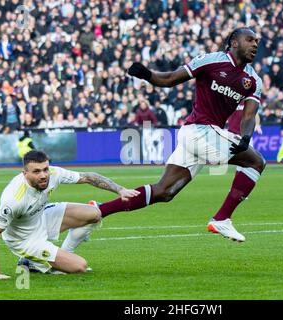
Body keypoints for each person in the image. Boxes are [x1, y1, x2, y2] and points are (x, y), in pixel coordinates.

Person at [89, 27, 265, 242]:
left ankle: (98, 210)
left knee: (164, 192)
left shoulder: (254, 80)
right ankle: (222, 218)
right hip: (200, 131)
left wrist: (245, 138)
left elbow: (249, 116)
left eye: (257, 41)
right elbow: (170, 78)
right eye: (250, 40)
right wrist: (147, 74)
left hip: (203, 136)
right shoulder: (211, 61)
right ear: (234, 42)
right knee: (256, 162)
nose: (255, 44)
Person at [0, 150, 140, 279]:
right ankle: (30, 261)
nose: (44, 175)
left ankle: (63, 255)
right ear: (24, 173)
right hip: (25, 240)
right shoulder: (14, 199)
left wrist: (120, 190)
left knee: (95, 213)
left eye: (45, 169)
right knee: (80, 267)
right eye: (36, 171)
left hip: (41, 216)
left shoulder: (53, 173)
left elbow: (88, 177)